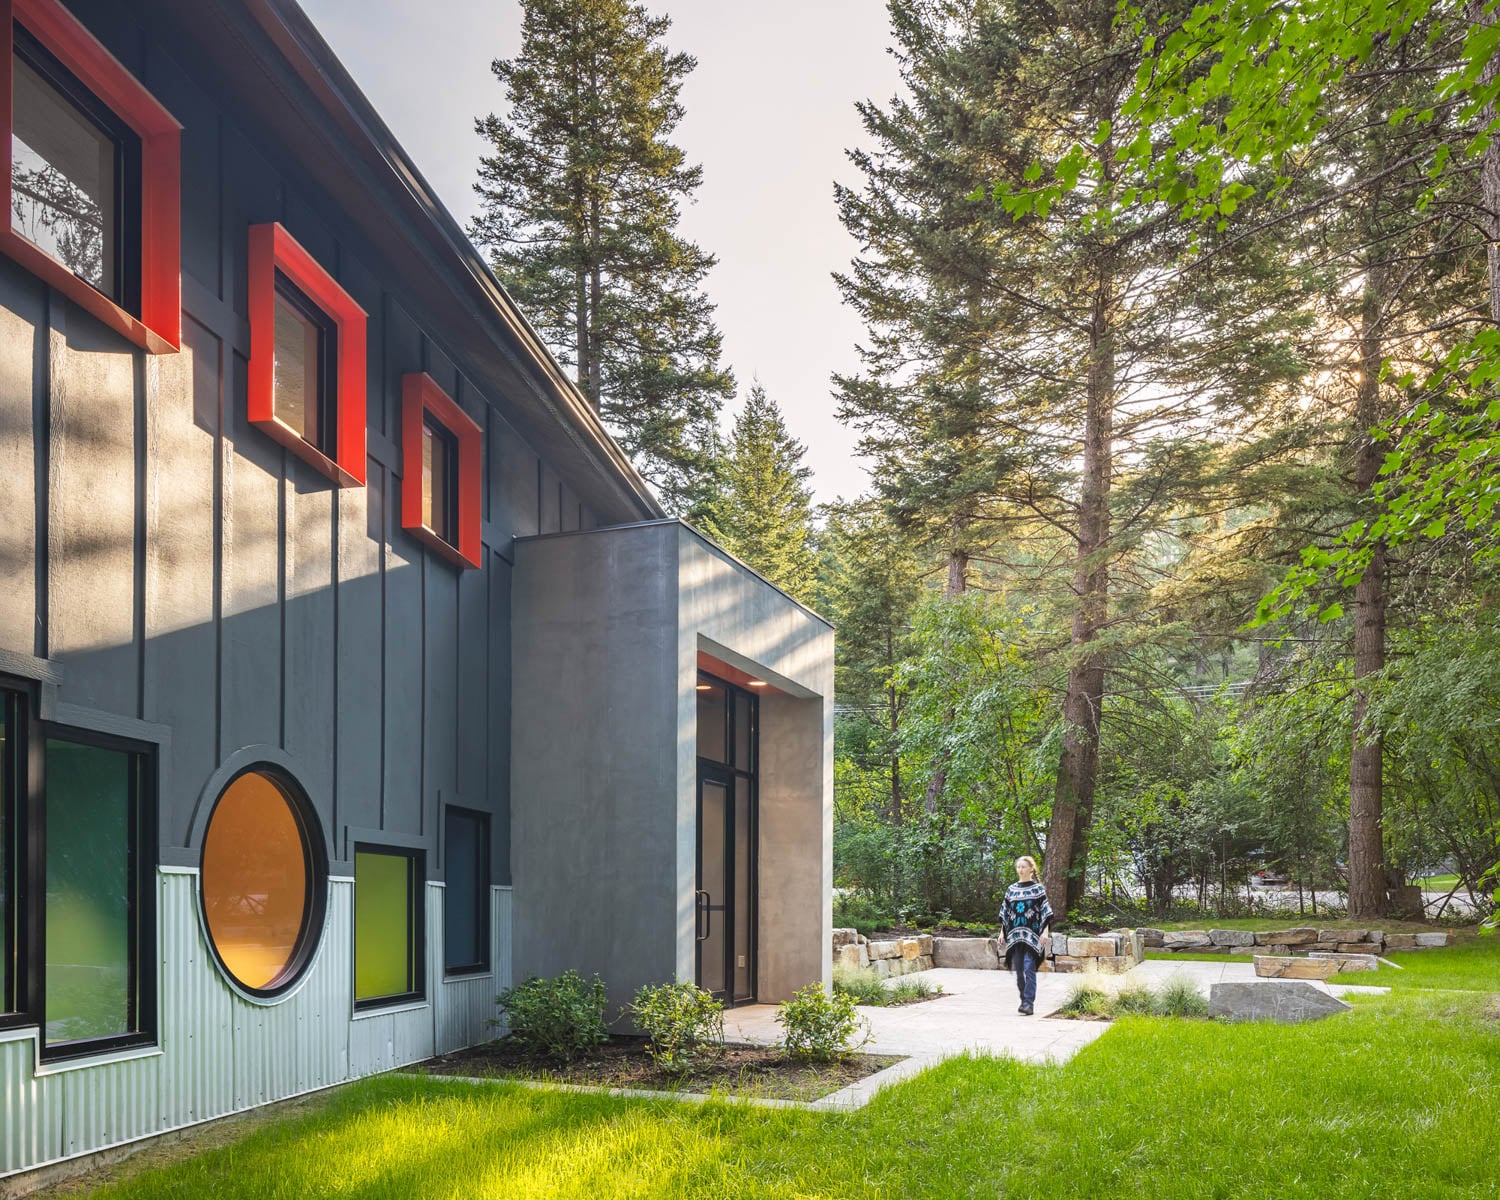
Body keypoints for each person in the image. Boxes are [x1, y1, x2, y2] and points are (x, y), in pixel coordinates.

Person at [999, 855, 1053, 1016]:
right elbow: (1006, 914)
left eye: (1023, 867)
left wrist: (1045, 932)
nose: (1020, 870)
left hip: (1033, 937)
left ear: (1031, 869)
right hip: (1015, 937)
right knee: (1019, 973)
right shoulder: (1011, 890)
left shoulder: (1038, 889)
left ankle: (1029, 1003)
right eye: (1018, 867)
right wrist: (1002, 933)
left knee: (1029, 968)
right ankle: (1024, 1001)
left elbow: (1045, 912)